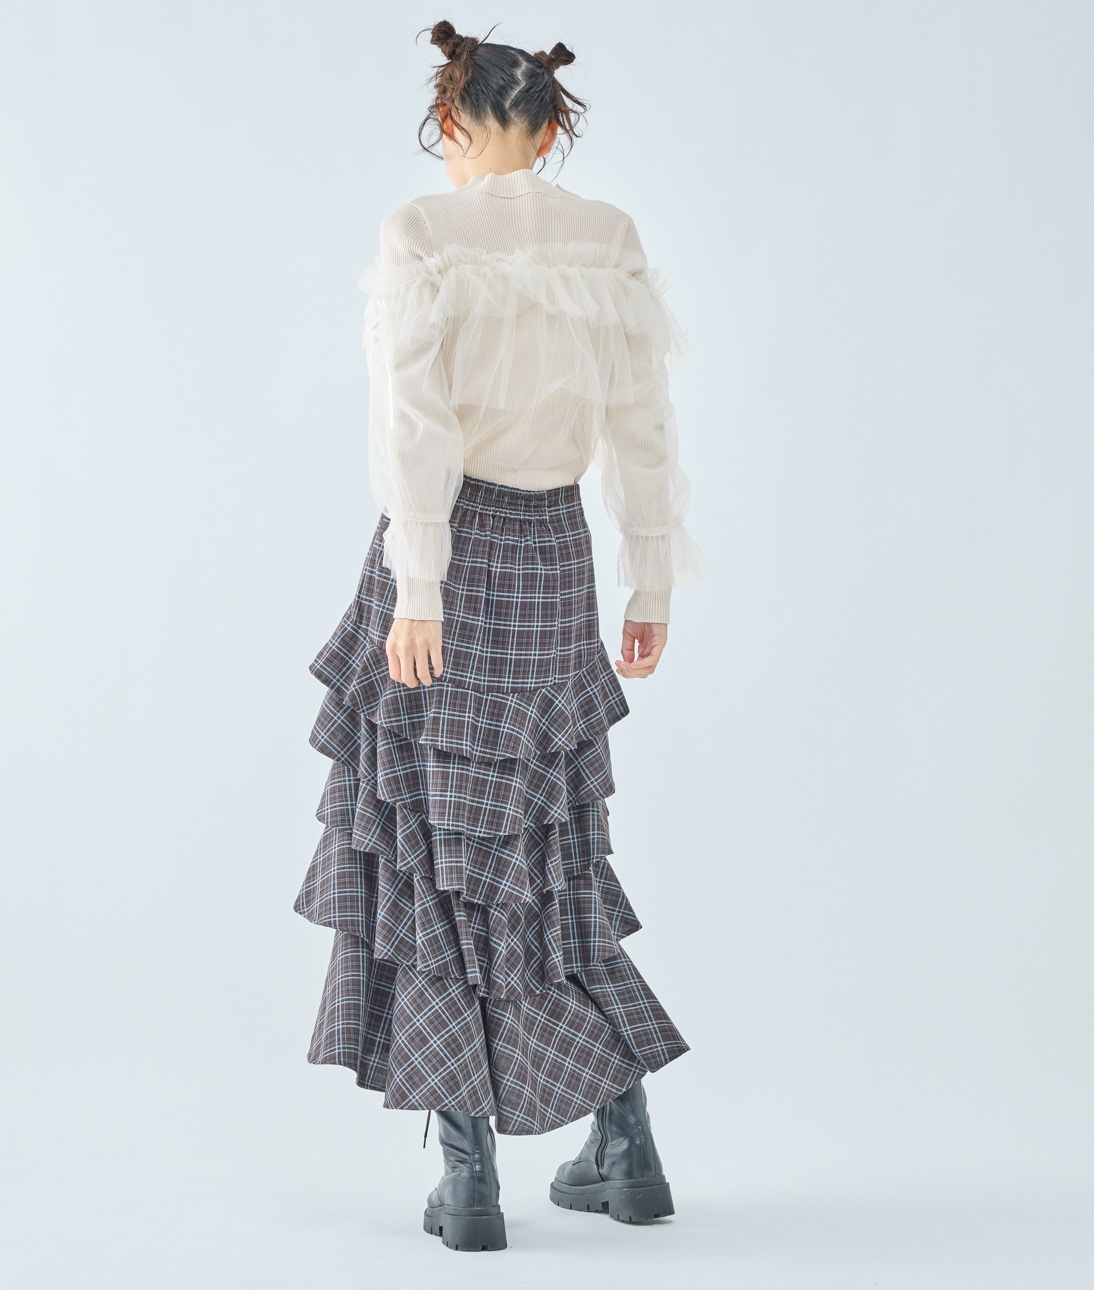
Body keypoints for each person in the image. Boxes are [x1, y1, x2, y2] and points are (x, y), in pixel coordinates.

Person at [292, 19, 710, 1253]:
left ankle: (470, 1184)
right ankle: (627, 1151)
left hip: (452, 554)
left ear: (455, 120)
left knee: (438, 857)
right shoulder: (609, 235)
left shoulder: (424, 230)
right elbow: (643, 420)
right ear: (551, 125)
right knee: (550, 856)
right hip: (557, 557)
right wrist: (650, 581)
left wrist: (416, 585)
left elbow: (414, 423)